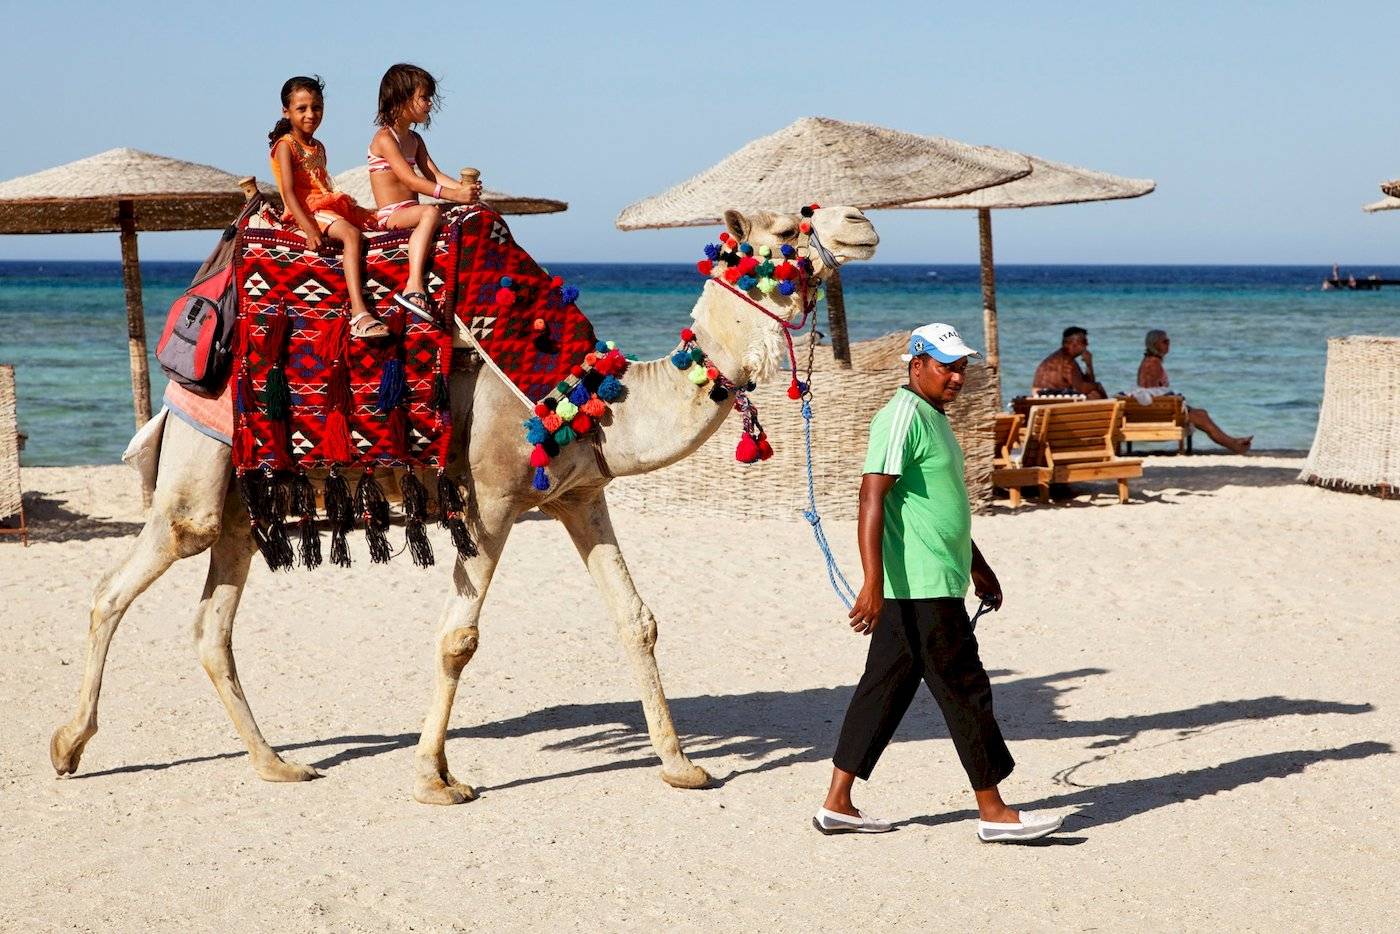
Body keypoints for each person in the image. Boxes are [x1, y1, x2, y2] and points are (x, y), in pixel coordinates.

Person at [814, 323, 1063, 843]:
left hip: (935, 582)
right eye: (947, 366)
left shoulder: (934, 417)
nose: (957, 376)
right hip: (920, 588)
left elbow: (936, 509)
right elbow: (870, 498)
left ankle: (838, 803)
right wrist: (871, 583)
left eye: (961, 366)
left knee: (881, 693)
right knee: (966, 690)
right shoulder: (901, 415)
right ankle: (993, 812)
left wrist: (978, 566)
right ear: (917, 363)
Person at [268, 75, 387, 340]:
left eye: (316, 107)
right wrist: (309, 228)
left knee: (376, 223)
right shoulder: (285, 146)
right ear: (286, 111)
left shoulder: (317, 146)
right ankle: (359, 312)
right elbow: (288, 192)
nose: (311, 114)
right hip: (306, 210)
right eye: (302, 109)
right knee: (351, 235)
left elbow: (322, 183)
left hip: (326, 205)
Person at [367, 64, 481, 316]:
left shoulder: (415, 140)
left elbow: (435, 175)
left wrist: (466, 191)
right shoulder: (385, 139)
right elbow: (411, 181)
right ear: (402, 98)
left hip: (413, 211)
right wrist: (453, 194)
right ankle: (413, 285)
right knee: (430, 212)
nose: (429, 104)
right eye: (424, 97)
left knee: (464, 214)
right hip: (392, 214)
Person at [1137, 329, 1252, 454]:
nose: (1168, 344)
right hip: (1159, 414)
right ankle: (1235, 445)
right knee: (1202, 416)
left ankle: (1233, 442)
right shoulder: (1153, 364)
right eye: (1165, 341)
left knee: (1201, 413)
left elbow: (1153, 393)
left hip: (1158, 411)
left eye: (1169, 341)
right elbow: (1152, 394)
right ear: (1154, 344)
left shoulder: (1150, 362)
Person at [1032, 326, 1106, 399]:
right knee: (1095, 393)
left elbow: (1086, 382)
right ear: (1072, 344)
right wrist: (1097, 386)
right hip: (1057, 403)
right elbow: (1081, 389)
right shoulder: (1067, 363)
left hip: (1042, 400)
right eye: (1084, 341)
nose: (1087, 344)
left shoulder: (1056, 358)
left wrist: (1088, 364)